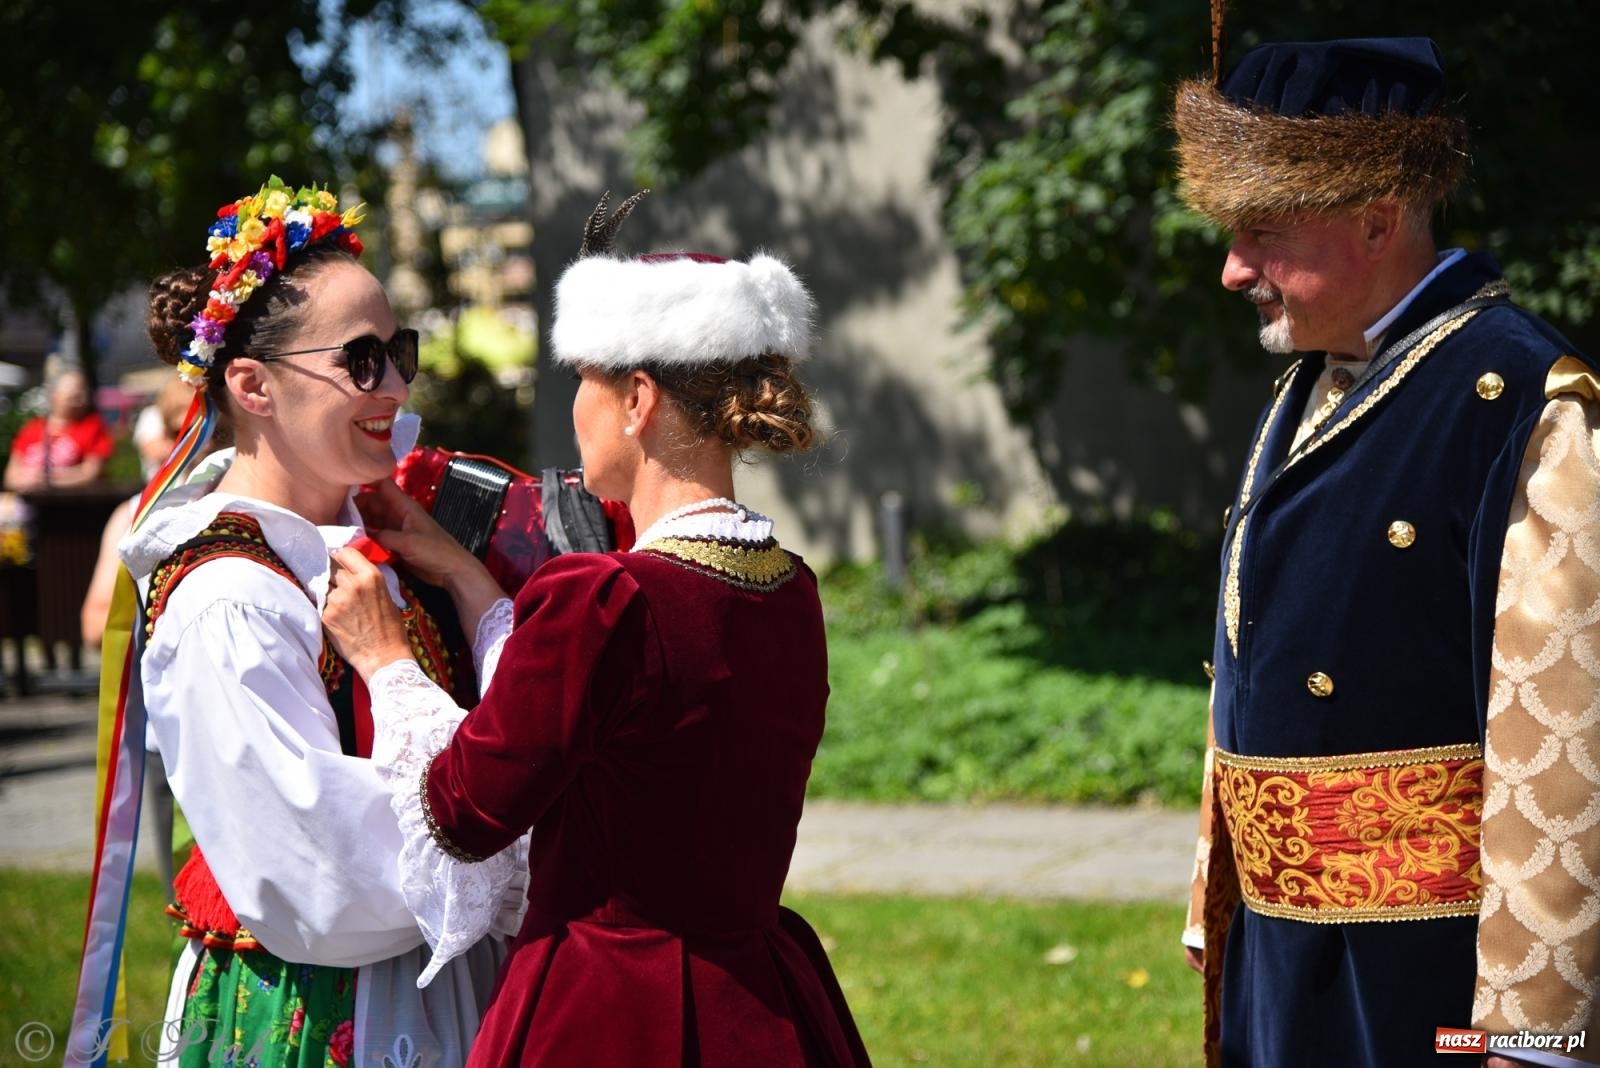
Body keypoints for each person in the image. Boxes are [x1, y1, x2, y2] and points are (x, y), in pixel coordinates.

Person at [321, 194, 871, 1066]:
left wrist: (389, 662)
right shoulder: (786, 585)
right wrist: (468, 578)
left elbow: (463, 813)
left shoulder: (602, 597)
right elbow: (612, 720)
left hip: (610, 1008)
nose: (573, 403)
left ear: (637, 399)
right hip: (758, 1003)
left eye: (583, 377)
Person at [1173, 38, 1600, 1068]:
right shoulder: (1311, 383)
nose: (1233, 269)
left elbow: (1565, 728)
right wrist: (1218, 887)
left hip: (1430, 970)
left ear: (1376, 220)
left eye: (1263, 234)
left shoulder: (1519, 403)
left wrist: (1537, 1022)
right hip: (1284, 946)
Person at [104, 178, 520, 1067]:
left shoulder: (386, 546)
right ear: (252, 385)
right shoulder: (230, 599)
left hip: (437, 981)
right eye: (361, 360)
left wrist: (461, 580)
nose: (397, 384)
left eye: (400, 352)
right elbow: (317, 880)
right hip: (326, 1008)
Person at [2, 367, 113, 491]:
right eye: (72, 398)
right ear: (54, 396)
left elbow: (91, 472)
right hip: (27, 498)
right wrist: (30, 479)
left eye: (81, 396)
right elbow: (11, 476)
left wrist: (50, 479)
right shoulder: (32, 428)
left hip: (71, 501)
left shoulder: (92, 426)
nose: (79, 402)